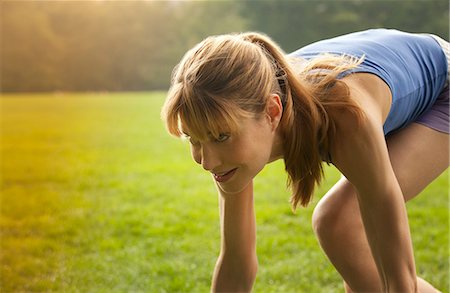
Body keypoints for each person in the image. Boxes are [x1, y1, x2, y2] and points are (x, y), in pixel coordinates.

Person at [161, 28, 449, 292]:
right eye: (193, 139)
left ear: (272, 112)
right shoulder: (235, 136)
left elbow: (399, 279)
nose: (207, 161)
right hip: (391, 93)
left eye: (221, 137)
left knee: (340, 223)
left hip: (442, 85)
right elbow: (237, 264)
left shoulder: (345, 116)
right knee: (354, 257)